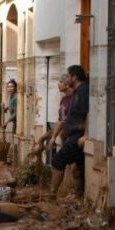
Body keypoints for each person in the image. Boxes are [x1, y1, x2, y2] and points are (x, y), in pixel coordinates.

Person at [51, 65, 90, 194]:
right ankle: (78, 195)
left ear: (74, 77)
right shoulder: (77, 92)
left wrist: (85, 135)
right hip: (72, 134)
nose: (67, 79)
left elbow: (89, 112)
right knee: (78, 167)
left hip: (77, 136)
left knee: (58, 160)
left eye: (68, 76)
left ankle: (52, 193)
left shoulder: (83, 90)